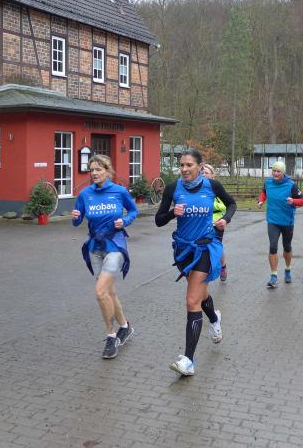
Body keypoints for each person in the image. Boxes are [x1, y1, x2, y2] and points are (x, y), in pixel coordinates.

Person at [155, 149, 237, 376]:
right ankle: (214, 317)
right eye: (181, 165)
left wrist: (225, 219)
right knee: (200, 295)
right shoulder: (173, 188)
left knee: (192, 301)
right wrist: (173, 213)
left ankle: (188, 361)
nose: (184, 169)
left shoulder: (212, 186)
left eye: (189, 165)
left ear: (200, 167)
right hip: (183, 251)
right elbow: (158, 220)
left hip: (205, 248)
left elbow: (232, 204)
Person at [71, 155, 139, 359]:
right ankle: (125, 327)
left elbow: (133, 210)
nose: (94, 173)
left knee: (100, 292)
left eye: (98, 169)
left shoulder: (119, 191)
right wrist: (75, 218)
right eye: (91, 170)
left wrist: (125, 221)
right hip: (95, 248)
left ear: (108, 171)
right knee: (109, 292)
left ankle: (111, 336)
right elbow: (77, 221)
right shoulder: (85, 194)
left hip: (115, 245)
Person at [256, 161, 303, 288]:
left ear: (283, 173)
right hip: (272, 220)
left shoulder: (291, 185)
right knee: (273, 247)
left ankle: (288, 269)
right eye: (274, 171)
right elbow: (264, 193)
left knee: (287, 247)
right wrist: (261, 200)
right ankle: (274, 276)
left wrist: (293, 201)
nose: (276, 173)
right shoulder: (268, 182)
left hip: (287, 221)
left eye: (278, 171)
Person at [201, 163, 229, 282]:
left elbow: (225, 206)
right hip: (202, 223)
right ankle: (203, 270)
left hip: (217, 223)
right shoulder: (198, 188)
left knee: (217, 247)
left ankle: (223, 267)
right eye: (202, 173)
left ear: (212, 175)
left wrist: (211, 205)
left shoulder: (216, 188)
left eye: (206, 173)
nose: (204, 175)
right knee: (203, 247)